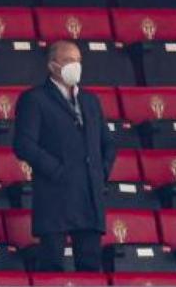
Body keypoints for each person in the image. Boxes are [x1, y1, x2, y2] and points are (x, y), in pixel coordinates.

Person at [14, 41, 117, 272]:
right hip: (55, 194)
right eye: (70, 61)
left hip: (89, 195)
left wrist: (101, 172)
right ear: (53, 65)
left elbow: (108, 143)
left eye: (78, 61)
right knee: (52, 265)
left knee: (90, 266)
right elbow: (24, 145)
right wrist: (57, 170)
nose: (76, 66)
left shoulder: (90, 100)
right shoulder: (35, 99)